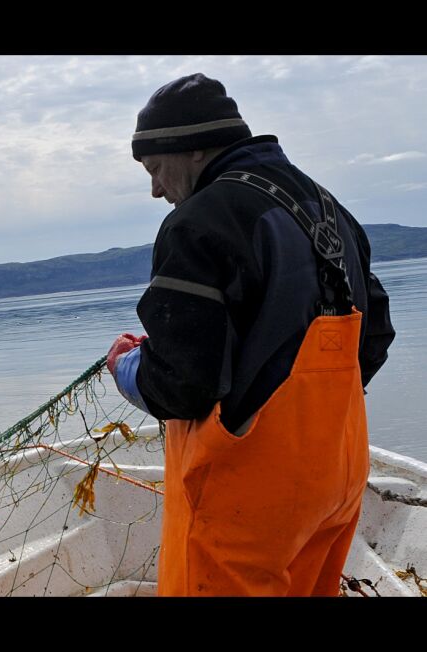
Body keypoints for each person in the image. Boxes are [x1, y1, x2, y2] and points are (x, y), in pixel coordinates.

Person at [106, 73, 395, 596]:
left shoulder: (199, 222)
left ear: (192, 150)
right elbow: (372, 337)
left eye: (154, 168)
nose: (154, 189)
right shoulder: (330, 209)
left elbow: (183, 386)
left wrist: (126, 368)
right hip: (337, 479)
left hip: (250, 503)